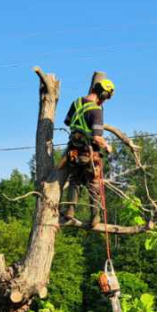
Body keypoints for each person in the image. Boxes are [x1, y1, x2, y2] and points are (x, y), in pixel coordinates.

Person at [61, 77, 115, 226]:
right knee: (93, 183)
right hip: (89, 153)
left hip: (73, 152)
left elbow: (67, 121)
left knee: (75, 181)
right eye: (106, 98)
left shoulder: (77, 102)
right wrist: (107, 146)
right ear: (103, 95)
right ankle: (94, 217)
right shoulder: (96, 110)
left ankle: (70, 210)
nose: (104, 102)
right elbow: (97, 137)